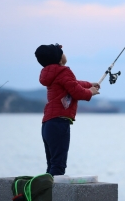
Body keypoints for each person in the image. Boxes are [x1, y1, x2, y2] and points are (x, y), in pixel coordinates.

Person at [34, 43, 100, 176]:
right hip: (59, 123)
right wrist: (90, 92)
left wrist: (89, 84)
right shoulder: (63, 71)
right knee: (58, 166)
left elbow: (72, 84)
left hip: (48, 124)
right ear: (59, 58)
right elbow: (77, 92)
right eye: (61, 52)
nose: (64, 54)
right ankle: (53, 195)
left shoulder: (51, 73)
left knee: (52, 165)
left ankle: (45, 192)